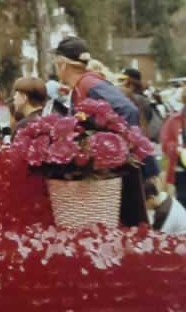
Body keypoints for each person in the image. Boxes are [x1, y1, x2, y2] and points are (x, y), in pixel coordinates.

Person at [53, 36, 157, 224]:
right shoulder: (80, 87)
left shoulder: (89, 84)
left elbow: (128, 110)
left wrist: (115, 152)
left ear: (62, 64)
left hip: (119, 175)